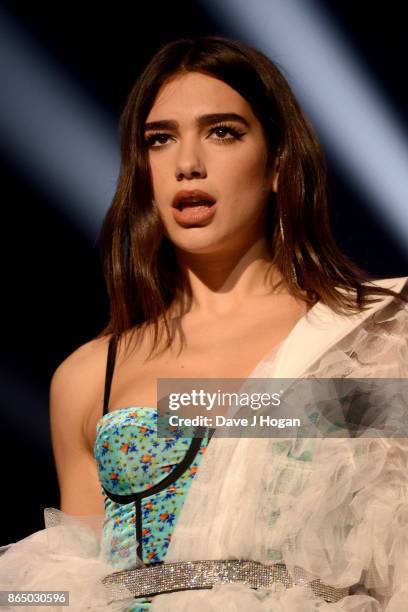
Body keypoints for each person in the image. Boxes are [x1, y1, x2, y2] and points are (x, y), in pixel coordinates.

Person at [0, 35, 407, 611]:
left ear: (277, 164)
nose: (187, 163)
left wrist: (191, 404)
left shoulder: (371, 339)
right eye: (160, 140)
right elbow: (66, 583)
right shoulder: (90, 375)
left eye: (223, 132)